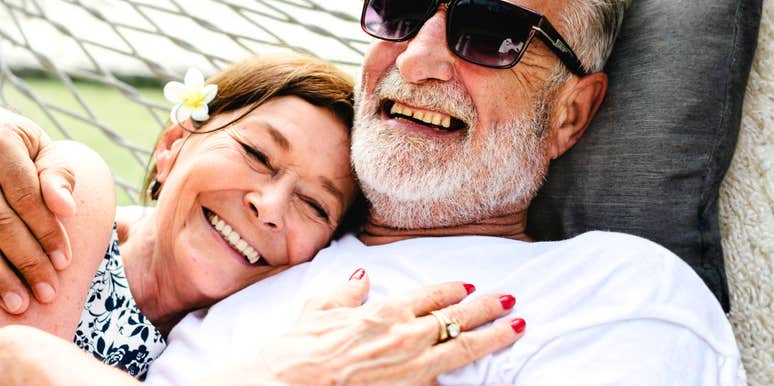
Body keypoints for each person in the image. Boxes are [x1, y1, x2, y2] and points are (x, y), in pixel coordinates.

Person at [0, 0, 745, 385]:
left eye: (490, 32)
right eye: (401, 7)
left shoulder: (615, 292)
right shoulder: (252, 264)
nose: (418, 57)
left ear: (571, 112)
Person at [0, 53, 523, 381]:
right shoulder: (74, 189)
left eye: (314, 206)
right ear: (172, 145)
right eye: (257, 155)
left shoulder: (225, 343)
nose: (269, 208)